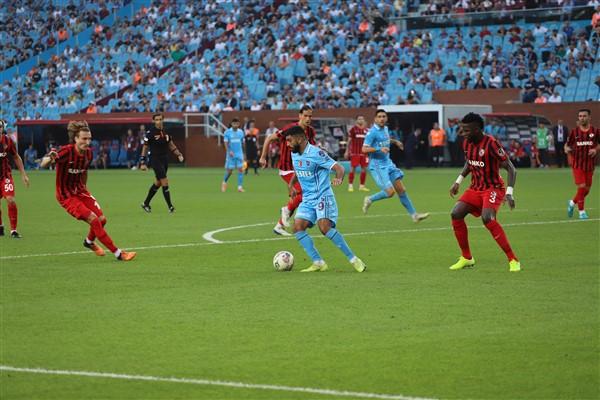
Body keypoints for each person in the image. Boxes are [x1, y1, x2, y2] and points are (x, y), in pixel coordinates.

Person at [40, 121, 135, 261]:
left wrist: (84, 190)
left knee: (102, 220)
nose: (87, 142)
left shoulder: (89, 154)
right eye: (84, 139)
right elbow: (43, 164)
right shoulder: (66, 151)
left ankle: (88, 242)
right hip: (66, 195)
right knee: (93, 219)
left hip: (80, 191)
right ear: (76, 139)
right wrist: (50, 158)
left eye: (89, 139)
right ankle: (119, 253)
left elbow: (84, 172)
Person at [284, 125, 366, 273]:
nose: (287, 144)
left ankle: (354, 260)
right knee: (297, 227)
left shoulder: (317, 153)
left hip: (323, 195)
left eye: (289, 140)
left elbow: (339, 168)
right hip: (308, 199)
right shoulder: (294, 153)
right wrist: (291, 185)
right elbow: (298, 169)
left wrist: (338, 179)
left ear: (300, 138)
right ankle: (318, 262)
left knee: (324, 227)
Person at [449, 112, 520, 272]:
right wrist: (458, 181)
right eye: (463, 130)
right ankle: (467, 258)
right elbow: (469, 162)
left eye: (467, 130)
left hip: (493, 187)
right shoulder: (466, 143)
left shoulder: (491, 143)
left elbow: (511, 168)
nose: (464, 134)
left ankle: (513, 259)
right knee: (456, 213)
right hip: (475, 188)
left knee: (487, 218)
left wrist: (509, 192)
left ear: (477, 129)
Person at [362, 110, 429, 223]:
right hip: (378, 165)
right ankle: (369, 199)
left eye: (384, 116)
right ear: (375, 119)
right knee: (390, 192)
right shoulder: (372, 132)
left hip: (388, 163)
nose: (382, 118)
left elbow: (385, 140)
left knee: (401, 190)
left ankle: (414, 215)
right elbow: (364, 149)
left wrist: (395, 142)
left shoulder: (385, 129)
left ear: (387, 118)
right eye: (379, 117)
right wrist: (379, 149)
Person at [259, 105, 316, 236]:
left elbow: (311, 148)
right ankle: (286, 210)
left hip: (301, 169)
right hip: (287, 169)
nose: (308, 119)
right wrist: (263, 157)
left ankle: (279, 226)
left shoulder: (311, 131)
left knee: (299, 196)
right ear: (300, 116)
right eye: (305, 116)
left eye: (310, 116)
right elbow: (269, 138)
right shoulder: (289, 129)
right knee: (304, 193)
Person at [140, 113, 184, 213]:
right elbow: (145, 147)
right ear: (154, 121)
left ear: (163, 120)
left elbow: (171, 145)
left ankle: (146, 203)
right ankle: (170, 207)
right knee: (165, 181)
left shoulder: (166, 132)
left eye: (160, 119)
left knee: (158, 183)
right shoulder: (150, 133)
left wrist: (179, 154)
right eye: (157, 120)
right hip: (155, 159)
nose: (159, 121)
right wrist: (143, 162)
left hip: (164, 159)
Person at [565, 109, 599, 219]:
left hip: (589, 165)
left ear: (589, 117)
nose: (582, 118)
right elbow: (566, 145)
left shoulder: (596, 131)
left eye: (584, 116)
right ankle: (581, 212)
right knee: (582, 186)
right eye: (580, 116)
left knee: (586, 190)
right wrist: (566, 149)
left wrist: (596, 149)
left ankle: (571, 203)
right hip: (577, 164)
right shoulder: (574, 132)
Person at [0, 120, 30, 238]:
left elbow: (16, 157)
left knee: (10, 199)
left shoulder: (8, 141)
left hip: (5, 176)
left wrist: (23, 174)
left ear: (2, 129)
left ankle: (13, 230)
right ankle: (1, 226)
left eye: (0, 127)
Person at [344, 115, 370, 192]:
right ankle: (350, 185)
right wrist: (346, 151)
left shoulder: (367, 130)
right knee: (353, 169)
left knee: (364, 169)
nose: (361, 120)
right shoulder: (353, 129)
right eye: (359, 119)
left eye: (362, 119)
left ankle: (362, 186)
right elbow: (349, 141)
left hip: (364, 153)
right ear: (356, 121)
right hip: (355, 153)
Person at [221, 118, 246, 192]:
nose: (235, 125)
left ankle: (240, 187)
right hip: (231, 155)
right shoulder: (227, 132)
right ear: (231, 124)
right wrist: (229, 151)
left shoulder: (241, 132)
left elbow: (243, 143)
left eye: (237, 123)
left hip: (239, 154)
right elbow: (225, 143)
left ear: (239, 124)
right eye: (234, 123)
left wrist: (244, 153)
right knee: (230, 171)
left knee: (240, 170)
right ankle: (224, 182)